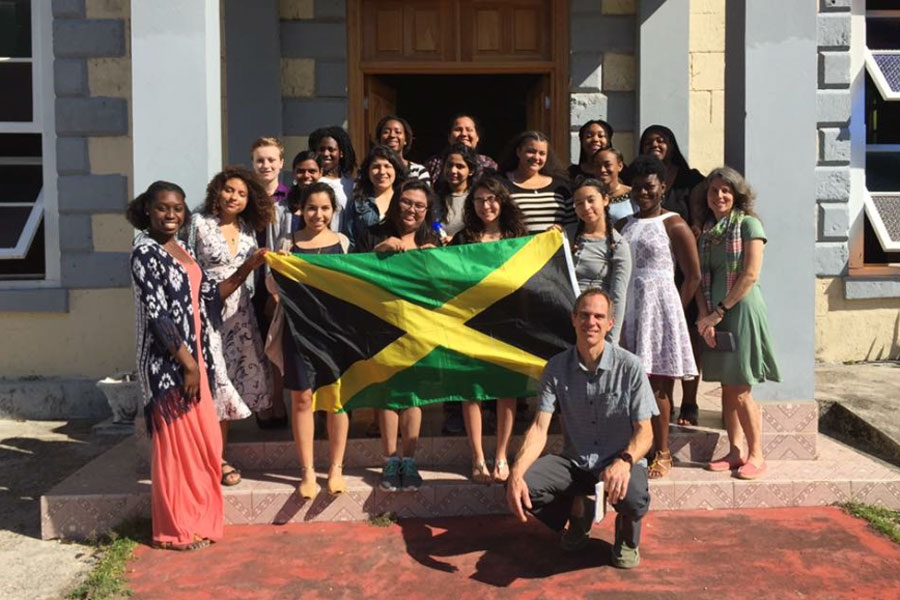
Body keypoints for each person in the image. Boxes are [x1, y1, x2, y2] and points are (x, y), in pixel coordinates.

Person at [127, 180, 266, 550]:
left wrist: (246, 269)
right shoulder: (144, 253)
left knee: (204, 444)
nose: (170, 215)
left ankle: (198, 520)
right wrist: (187, 365)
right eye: (162, 208)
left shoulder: (183, 247)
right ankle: (174, 531)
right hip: (168, 366)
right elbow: (158, 317)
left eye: (177, 208)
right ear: (147, 210)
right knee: (176, 450)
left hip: (197, 359)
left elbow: (208, 297)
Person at [506, 288, 657, 569]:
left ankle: (626, 533)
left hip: (619, 462)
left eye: (599, 316)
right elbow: (540, 427)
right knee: (523, 485)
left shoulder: (631, 367)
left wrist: (625, 462)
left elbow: (645, 432)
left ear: (610, 323)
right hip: (576, 462)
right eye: (585, 315)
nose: (592, 322)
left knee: (634, 499)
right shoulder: (555, 368)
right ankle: (579, 509)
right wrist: (515, 472)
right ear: (573, 319)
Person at [187, 167, 275, 485]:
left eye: (241, 193)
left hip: (240, 315)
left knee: (228, 390)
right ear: (217, 191)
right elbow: (184, 266)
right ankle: (217, 461)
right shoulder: (198, 223)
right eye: (229, 190)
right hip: (205, 312)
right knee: (216, 385)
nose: (233, 197)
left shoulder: (249, 229)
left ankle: (216, 455)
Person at [267, 182, 352, 498]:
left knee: (337, 400)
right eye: (312, 207)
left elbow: (353, 288)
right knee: (302, 399)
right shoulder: (287, 242)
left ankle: (336, 469)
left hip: (334, 333)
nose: (319, 214)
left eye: (325, 208)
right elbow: (273, 289)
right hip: (297, 331)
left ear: (333, 211)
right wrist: (278, 263)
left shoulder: (343, 243)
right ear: (300, 209)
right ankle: (307, 473)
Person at [695, 167, 780, 480]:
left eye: (726, 190)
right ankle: (734, 451)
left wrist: (719, 311)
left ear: (737, 194)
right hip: (715, 315)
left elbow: (750, 274)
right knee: (726, 387)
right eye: (713, 190)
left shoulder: (749, 225)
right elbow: (702, 278)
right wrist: (705, 317)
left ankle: (756, 454)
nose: (719, 196)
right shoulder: (707, 232)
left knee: (741, 387)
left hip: (740, 310)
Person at [617, 155, 699, 479]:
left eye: (649, 187)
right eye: (636, 188)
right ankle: (639, 445)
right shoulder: (624, 224)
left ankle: (662, 451)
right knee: (633, 384)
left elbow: (692, 275)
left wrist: (674, 312)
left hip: (660, 309)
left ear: (663, 187)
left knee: (659, 387)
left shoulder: (674, 224)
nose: (643, 193)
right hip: (630, 308)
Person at [355, 179, 439, 491]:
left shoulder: (432, 239)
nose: (412, 210)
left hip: (418, 327)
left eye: (419, 205)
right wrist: (378, 252)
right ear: (395, 203)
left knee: (413, 395)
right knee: (389, 394)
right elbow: (353, 273)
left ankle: (409, 461)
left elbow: (442, 287)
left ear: (427, 211)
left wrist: (435, 261)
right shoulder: (373, 233)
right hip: (382, 325)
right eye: (406, 202)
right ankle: (389, 461)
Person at [449, 176, 527, 483]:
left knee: (507, 390)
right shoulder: (463, 238)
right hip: (470, 325)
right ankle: (478, 457)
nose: (486, 206)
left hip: (510, 325)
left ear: (503, 201)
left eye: (492, 199)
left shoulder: (518, 236)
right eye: (479, 200)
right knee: (473, 391)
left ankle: (502, 455)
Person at [638, 125, 706, 426]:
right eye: (649, 141)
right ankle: (655, 405)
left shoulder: (691, 178)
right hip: (650, 272)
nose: (655, 144)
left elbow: (705, 207)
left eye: (661, 140)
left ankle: (689, 402)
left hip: (681, 271)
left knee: (687, 338)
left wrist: (698, 227)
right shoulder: (638, 179)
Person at [250, 138, 289, 429]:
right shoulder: (245, 199)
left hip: (278, 279)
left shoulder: (290, 199)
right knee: (254, 345)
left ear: (280, 163)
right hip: (248, 280)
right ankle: (260, 404)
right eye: (260, 160)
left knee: (276, 344)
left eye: (271, 160)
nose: (266, 165)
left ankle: (277, 403)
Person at [568, 178, 631, 344]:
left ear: (605, 200)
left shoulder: (617, 244)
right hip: (565, 318)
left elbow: (618, 295)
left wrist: (611, 341)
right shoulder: (565, 236)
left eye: (591, 200)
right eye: (579, 203)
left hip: (594, 324)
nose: (586, 208)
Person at [498, 130, 574, 233]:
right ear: (518, 152)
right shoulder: (501, 184)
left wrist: (562, 229)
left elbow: (572, 222)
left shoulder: (560, 186)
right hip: (519, 248)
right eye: (531, 151)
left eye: (542, 153)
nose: (536, 157)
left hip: (555, 248)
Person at [341, 145, 407, 250]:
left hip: (400, 262)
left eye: (387, 166)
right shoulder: (357, 203)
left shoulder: (406, 200)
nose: (382, 172)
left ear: (396, 170)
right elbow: (350, 241)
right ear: (368, 171)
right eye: (376, 167)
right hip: (367, 262)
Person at [308, 126, 356, 232]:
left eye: (331, 149)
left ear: (341, 153)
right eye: (321, 149)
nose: (325, 154)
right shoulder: (311, 182)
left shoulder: (351, 184)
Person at [424, 114, 499, 181]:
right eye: (458, 129)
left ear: (477, 137)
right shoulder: (434, 163)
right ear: (449, 137)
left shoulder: (487, 164)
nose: (463, 134)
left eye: (469, 130)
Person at [433, 143, 478, 241]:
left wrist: (455, 240)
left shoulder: (477, 199)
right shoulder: (434, 198)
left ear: (471, 170)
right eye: (449, 165)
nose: (453, 170)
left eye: (460, 166)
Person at [375, 114, 431, 183]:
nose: (392, 135)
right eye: (386, 132)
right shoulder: (370, 171)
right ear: (379, 139)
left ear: (405, 140)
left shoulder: (419, 171)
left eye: (397, 132)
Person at [592, 147, 636, 224]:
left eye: (607, 165)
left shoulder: (633, 195)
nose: (602, 169)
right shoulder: (590, 195)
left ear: (620, 166)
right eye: (597, 165)